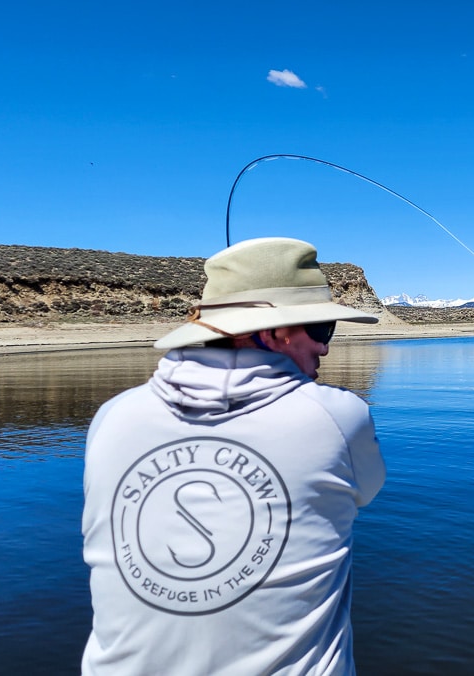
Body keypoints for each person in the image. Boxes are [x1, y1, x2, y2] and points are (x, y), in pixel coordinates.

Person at [81, 237, 386, 675]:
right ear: (276, 332)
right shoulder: (337, 416)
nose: (325, 348)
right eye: (322, 330)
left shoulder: (112, 417)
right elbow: (367, 491)